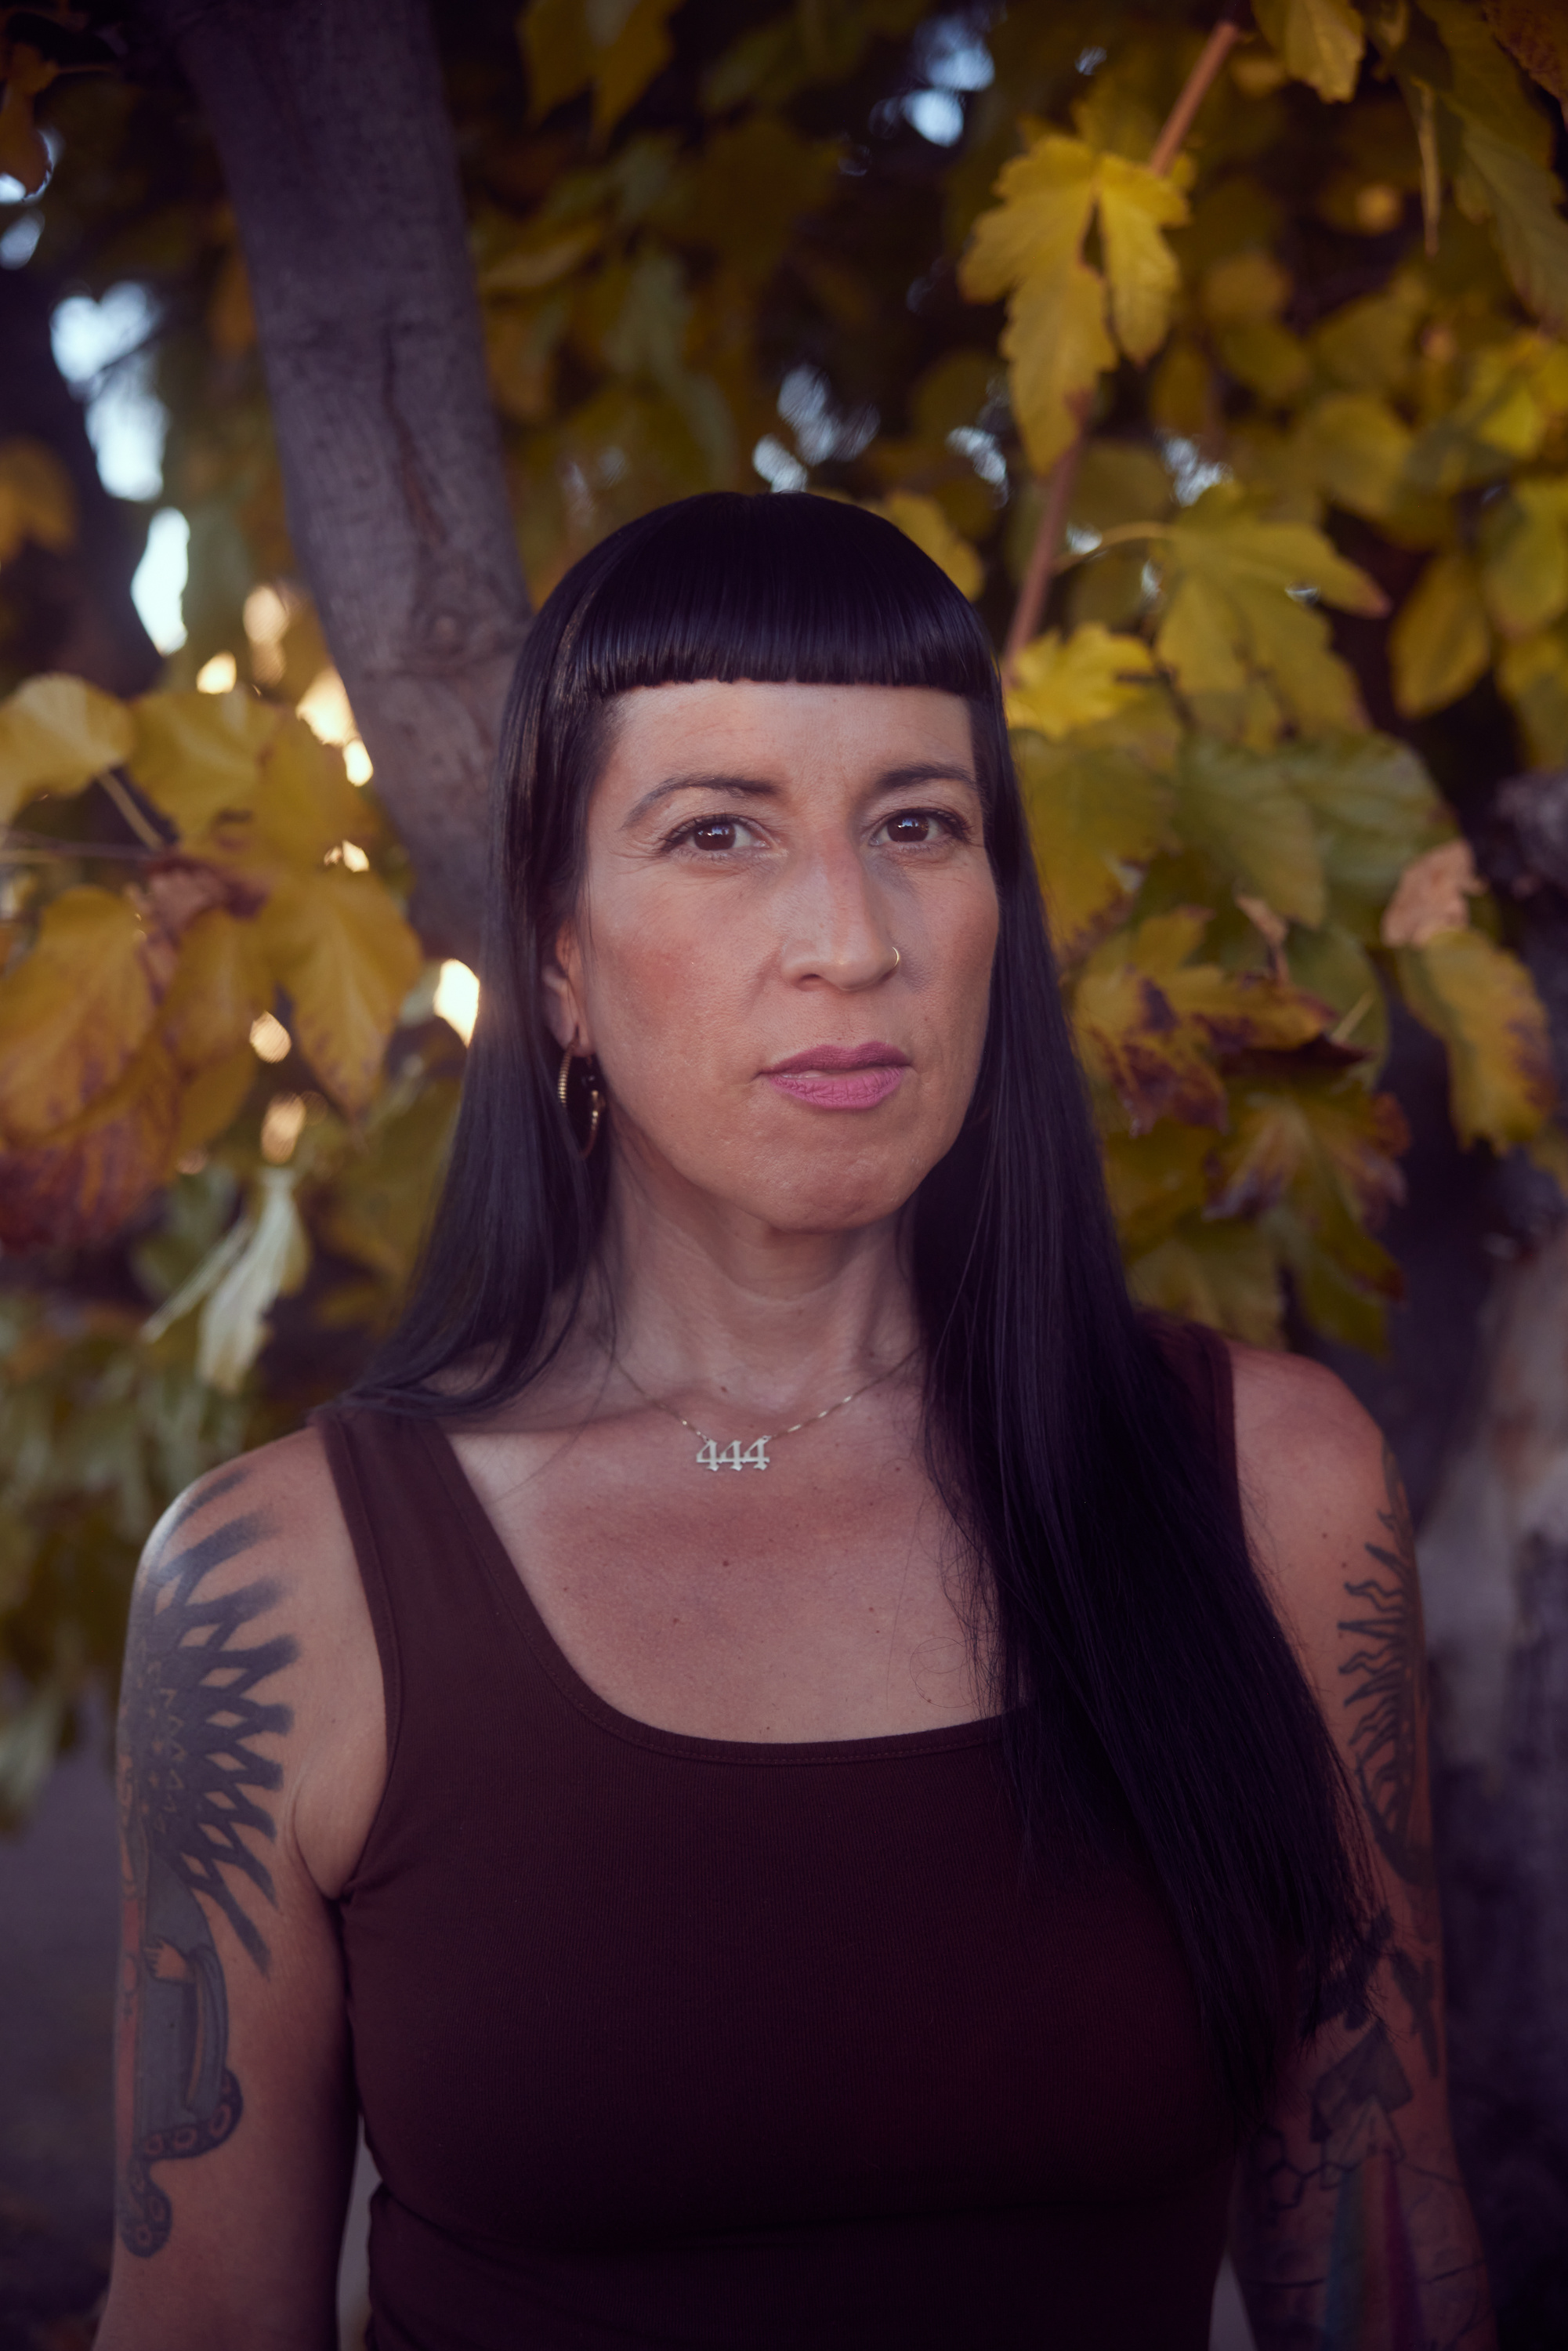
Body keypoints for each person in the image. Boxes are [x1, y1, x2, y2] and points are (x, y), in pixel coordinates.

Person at [99, 492, 1491, 2351]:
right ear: (559, 961)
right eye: (718, 832)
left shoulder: (1270, 1490)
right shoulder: (283, 1591)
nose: (849, 938)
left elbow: (1382, 2261)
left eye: (916, 825)